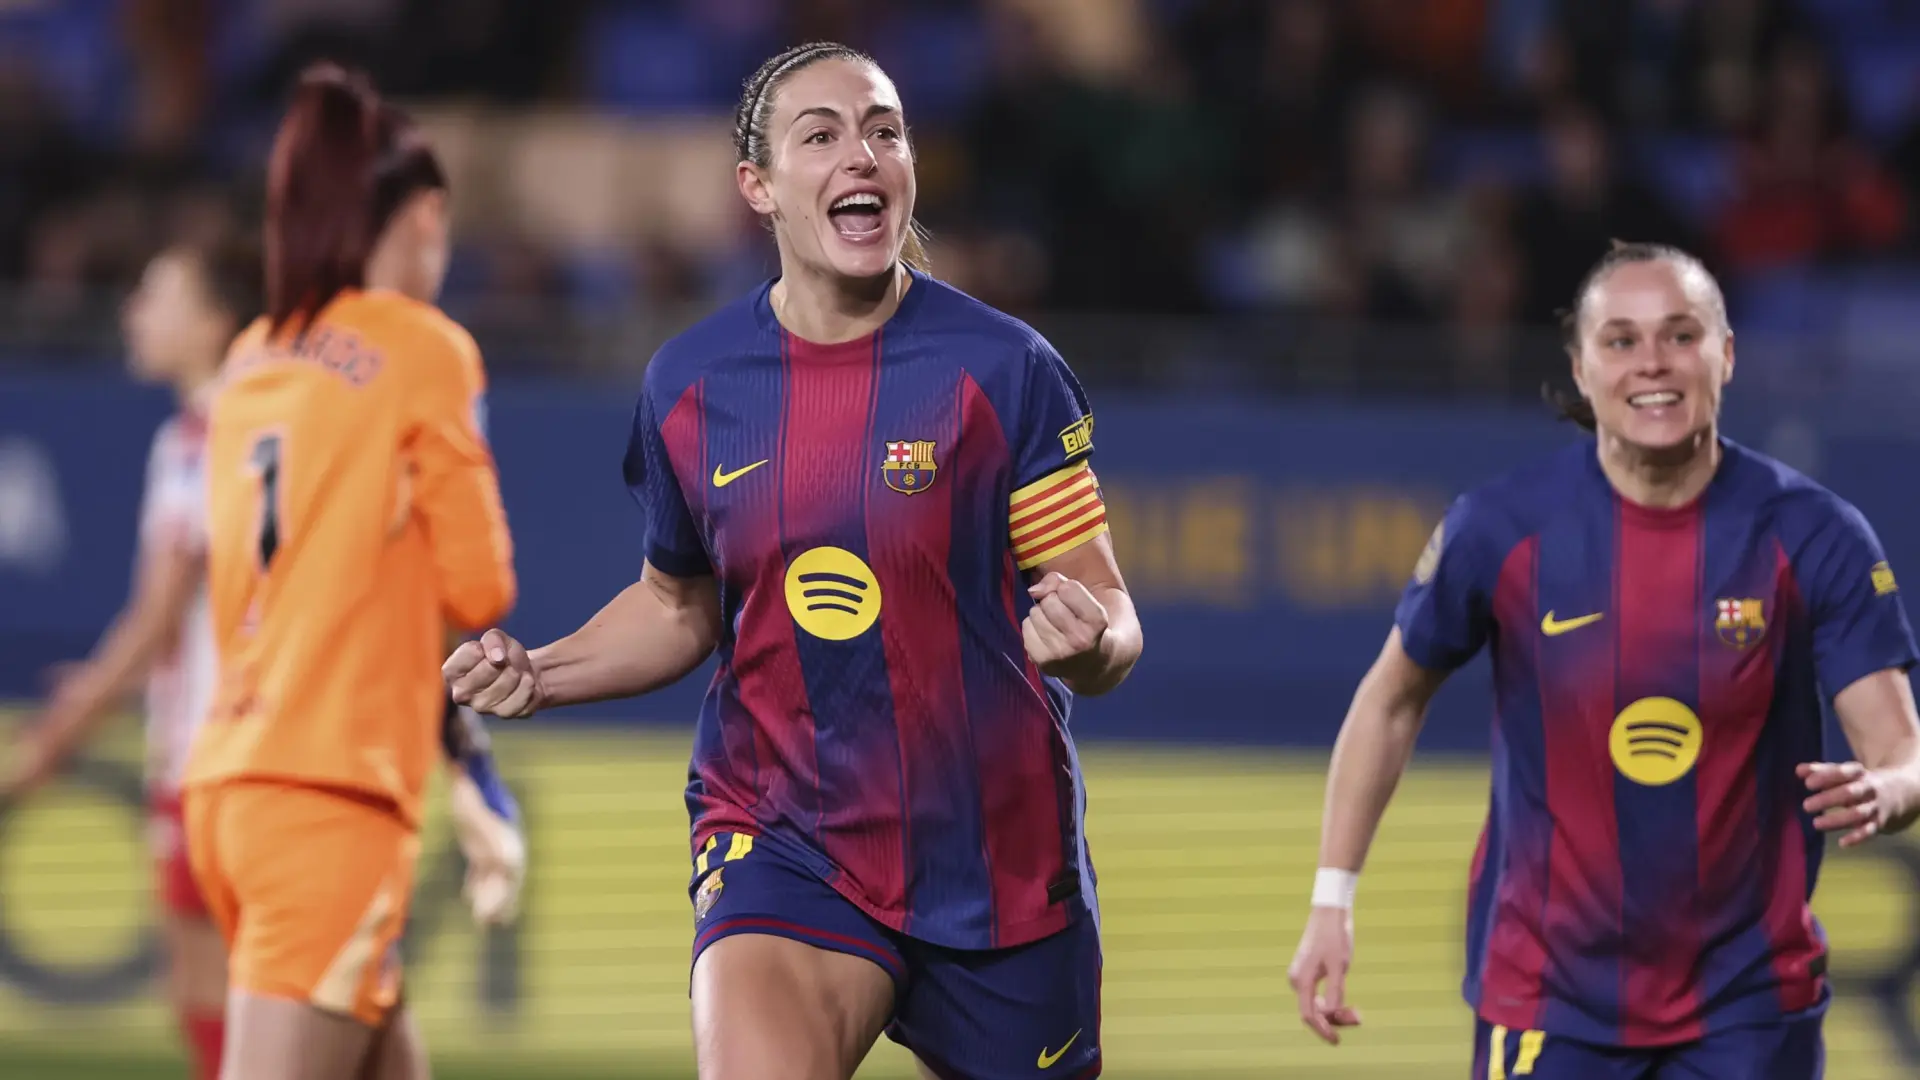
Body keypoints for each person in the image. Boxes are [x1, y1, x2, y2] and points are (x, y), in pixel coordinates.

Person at [444, 41, 1143, 1080]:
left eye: (885, 131)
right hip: (783, 837)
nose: (862, 155)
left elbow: (1109, 611)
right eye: (821, 136)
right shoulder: (690, 386)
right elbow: (677, 606)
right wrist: (540, 674)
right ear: (758, 187)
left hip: (998, 865)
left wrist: (1091, 644)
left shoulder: (1006, 370)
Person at [1286, 240, 1920, 1078]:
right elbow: (1390, 700)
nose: (1652, 362)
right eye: (1621, 340)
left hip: (1752, 1007)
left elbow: (1901, 750)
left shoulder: (1814, 535)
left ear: (1727, 354)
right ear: (1581, 369)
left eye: (1681, 334)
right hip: (1547, 999)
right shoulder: (1501, 529)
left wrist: (1888, 792)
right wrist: (1332, 898)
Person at [182, 63, 523, 1080]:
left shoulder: (253, 354)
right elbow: (479, 590)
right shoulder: (425, 348)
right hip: (330, 800)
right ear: (421, 215)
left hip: (230, 784)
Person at [0, 240, 258, 1080]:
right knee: (221, 995)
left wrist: (57, 736)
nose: (132, 312)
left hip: (216, 758)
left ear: (215, 323)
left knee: (224, 996)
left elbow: (155, 618)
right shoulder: (234, 429)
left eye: (156, 295)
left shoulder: (214, 437)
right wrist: (99, 686)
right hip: (225, 749)